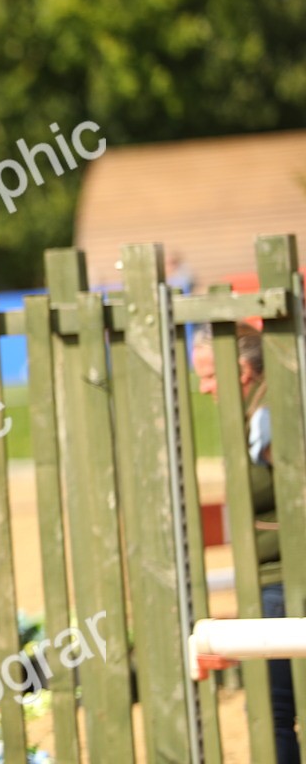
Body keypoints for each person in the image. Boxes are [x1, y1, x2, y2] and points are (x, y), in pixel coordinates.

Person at [194, 322, 297, 763]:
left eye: (208, 376)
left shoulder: (268, 416)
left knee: (271, 712)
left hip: (284, 581)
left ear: (240, 370)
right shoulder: (263, 408)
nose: (202, 389)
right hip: (275, 579)